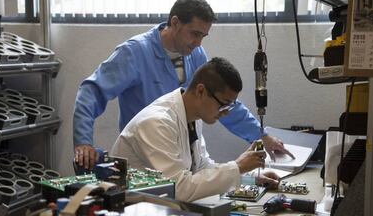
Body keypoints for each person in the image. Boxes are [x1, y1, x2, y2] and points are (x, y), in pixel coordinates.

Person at [73, 0, 294, 170]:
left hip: (183, 154)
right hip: (146, 159)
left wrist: (261, 135)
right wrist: (83, 141)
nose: (198, 42)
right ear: (175, 22)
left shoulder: (195, 55)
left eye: (203, 37)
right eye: (194, 34)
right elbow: (91, 91)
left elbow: (221, 101)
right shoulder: (134, 53)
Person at [110, 57, 280, 202]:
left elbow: (201, 168)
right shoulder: (156, 123)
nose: (226, 111)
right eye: (223, 104)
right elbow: (178, 190)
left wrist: (247, 178)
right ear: (201, 91)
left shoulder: (192, 117)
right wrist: (237, 167)